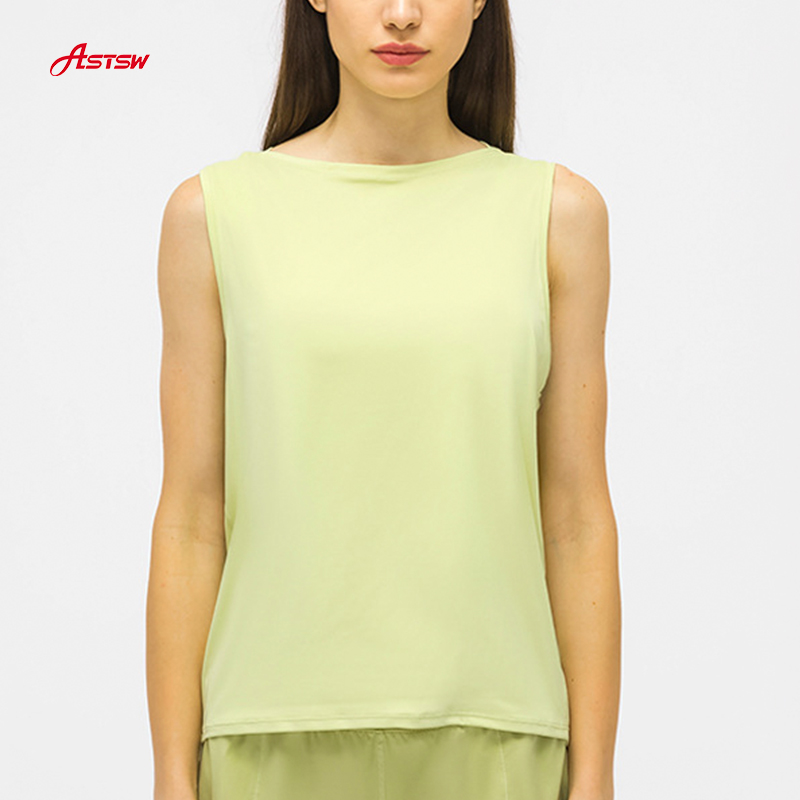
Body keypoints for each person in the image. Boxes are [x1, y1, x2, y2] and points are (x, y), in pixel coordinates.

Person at [146, 1, 621, 799]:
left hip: (499, 736)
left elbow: (575, 516)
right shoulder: (211, 215)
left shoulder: (558, 216)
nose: (402, 16)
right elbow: (190, 518)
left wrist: (597, 775)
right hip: (268, 733)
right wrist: (170, 777)